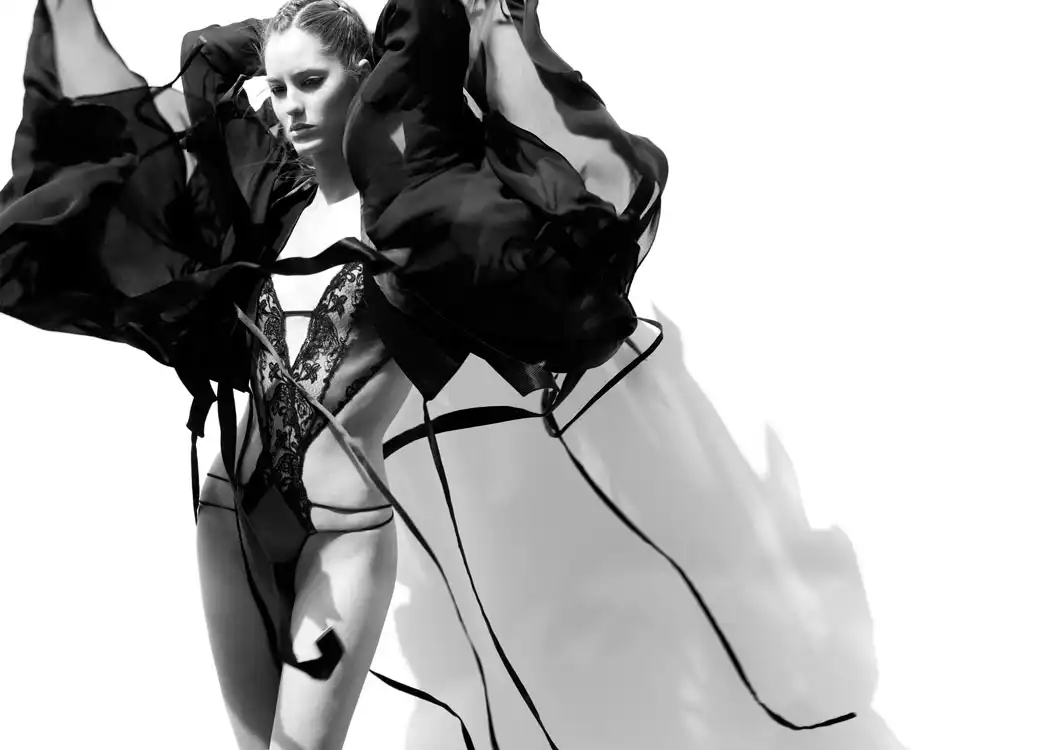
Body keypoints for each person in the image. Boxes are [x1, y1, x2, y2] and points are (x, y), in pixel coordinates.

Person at [0, 1, 854, 748]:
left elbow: (434, 53)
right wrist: (271, 36)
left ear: (363, 76)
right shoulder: (266, 205)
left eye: (312, 82)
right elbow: (201, 80)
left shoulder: (423, 214)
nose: (290, 107)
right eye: (279, 88)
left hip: (342, 535)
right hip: (228, 518)